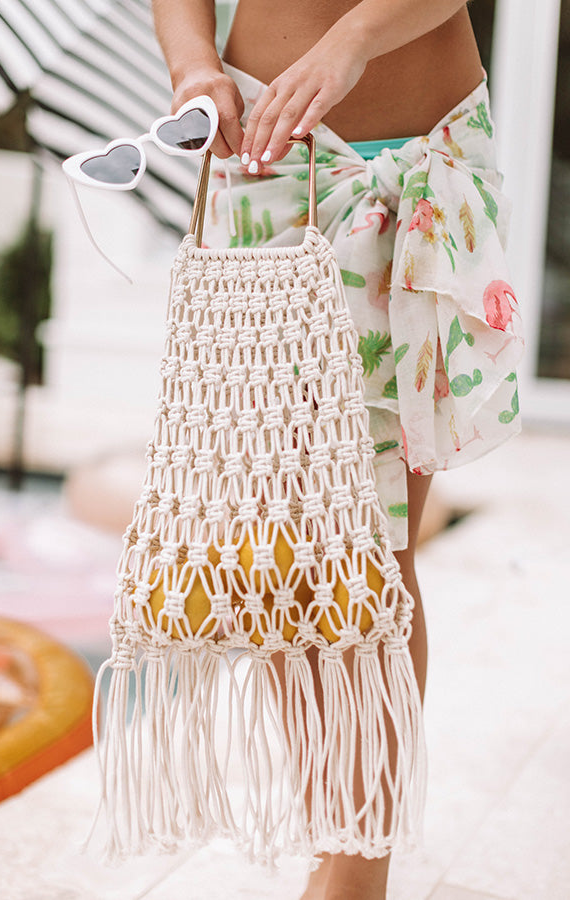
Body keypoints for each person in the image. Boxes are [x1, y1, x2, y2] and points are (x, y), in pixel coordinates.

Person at [150, 3, 523, 898]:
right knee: (281, 547)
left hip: (417, 159)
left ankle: (358, 873)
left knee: (366, 550)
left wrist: (350, 42)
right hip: (267, 156)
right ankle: (339, 836)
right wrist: (193, 66)